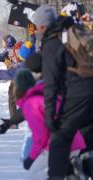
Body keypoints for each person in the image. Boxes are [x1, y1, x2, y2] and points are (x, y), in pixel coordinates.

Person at [33, 5, 93, 179]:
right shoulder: (75, 32)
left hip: (78, 95)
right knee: (88, 136)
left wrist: (50, 116)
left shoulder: (52, 43)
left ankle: (56, 177)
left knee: (60, 138)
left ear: (42, 26)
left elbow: (50, 84)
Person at [14, 69, 86, 180]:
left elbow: (41, 136)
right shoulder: (46, 95)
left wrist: (31, 158)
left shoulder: (31, 104)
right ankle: (69, 170)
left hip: (59, 145)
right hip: (75, 140)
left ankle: (69, 168)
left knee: (34, 176)